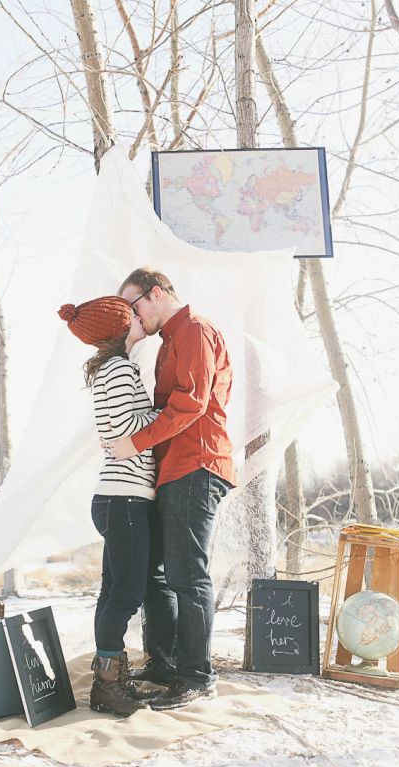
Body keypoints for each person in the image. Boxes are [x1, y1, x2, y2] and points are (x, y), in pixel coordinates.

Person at [108, 268, 234, 710]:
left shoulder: (195, 331)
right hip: (171, 471)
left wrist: (134, 444)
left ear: (156, 293)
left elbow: (190, 403)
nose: (133, 318)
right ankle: (164, 664)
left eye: (135, 306)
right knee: (154, 573)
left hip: (197, 466)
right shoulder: (166, 343)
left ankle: (198, 676)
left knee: (187, 574)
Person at [58, 295, 161, 718]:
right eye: (132, 315)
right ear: (120, 328)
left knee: (116, 590)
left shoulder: (115, 368)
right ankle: (107, 684)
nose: (140, 318)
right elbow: (124, 428)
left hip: (120, 498)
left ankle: (111, 678)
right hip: (124, 499)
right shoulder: (118, 368)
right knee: (128, 591)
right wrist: (167, 415)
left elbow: (117, 429)